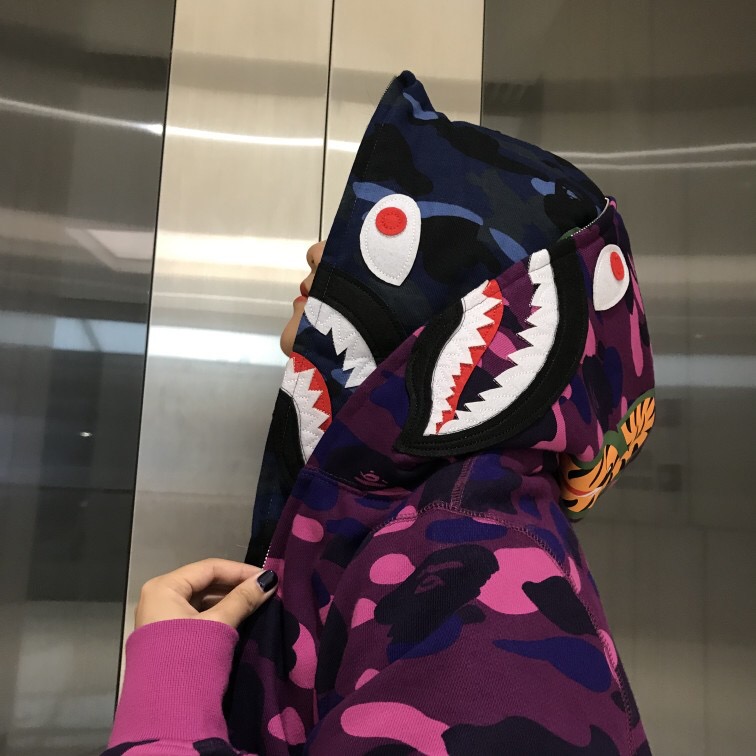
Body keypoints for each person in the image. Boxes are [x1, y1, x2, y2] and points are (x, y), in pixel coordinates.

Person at [104, 70, 655, 755]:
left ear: (469, 302)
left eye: (384, 227)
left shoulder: (476, 562)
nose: (321, 255)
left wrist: (169, 698)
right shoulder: (417, 521)